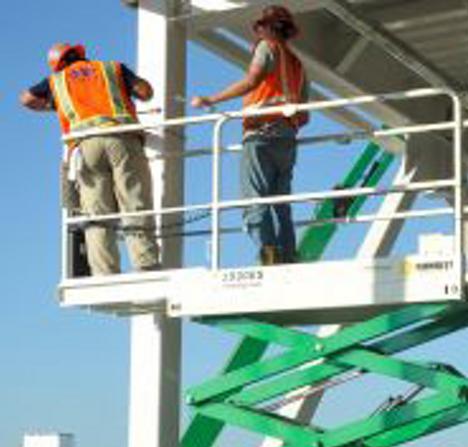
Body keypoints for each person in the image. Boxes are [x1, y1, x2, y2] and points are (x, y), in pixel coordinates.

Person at [20, 43, 160, 276]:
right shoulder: (111, 68)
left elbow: (26, 99)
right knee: (133, 200)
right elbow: (146, 92)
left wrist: (55, 106)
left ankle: (104, 271)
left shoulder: (57, 81)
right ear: (81, 54)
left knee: (96, 211)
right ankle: (146, 263)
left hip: (85, 146)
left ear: (57, 64)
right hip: (122, 139)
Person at [191, 4, 309, 265]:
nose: (256, 33)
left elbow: (252, 80)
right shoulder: (298, 65)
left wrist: (211, 99)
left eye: (259, 28)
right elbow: (306, 115)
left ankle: (269, 256)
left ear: (266, 28)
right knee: (281, 202)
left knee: (254, 201)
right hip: (287, 138)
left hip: (261, 133)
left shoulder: (267, 47)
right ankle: (288, 256)